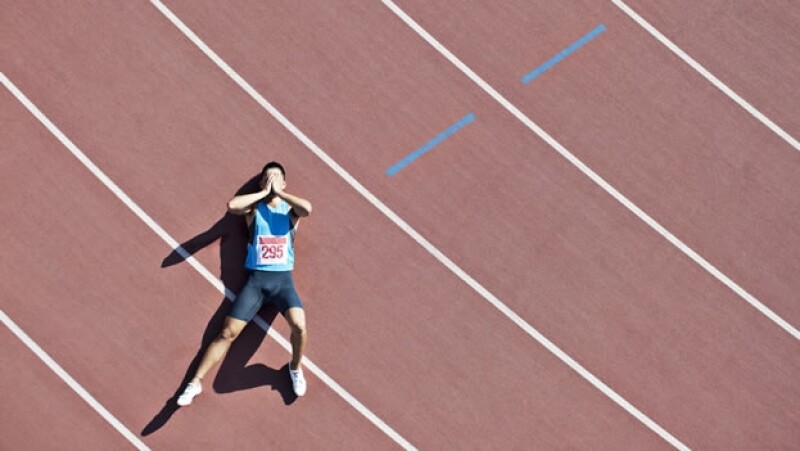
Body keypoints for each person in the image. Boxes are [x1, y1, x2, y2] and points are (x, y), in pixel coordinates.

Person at [178, 161, 312, 405]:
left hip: (282, 284)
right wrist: (264, 192)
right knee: (227, 332)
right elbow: (232, 206)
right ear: (262, 183)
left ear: (284, 183)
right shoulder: (253, 210)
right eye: (267, 177)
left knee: (300, 326)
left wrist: (279, 194)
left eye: (276, 177)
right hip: (256, 284)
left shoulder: (290, 212)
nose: (272, 181)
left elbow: (307, 209)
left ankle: (294, 368)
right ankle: (194, 383)